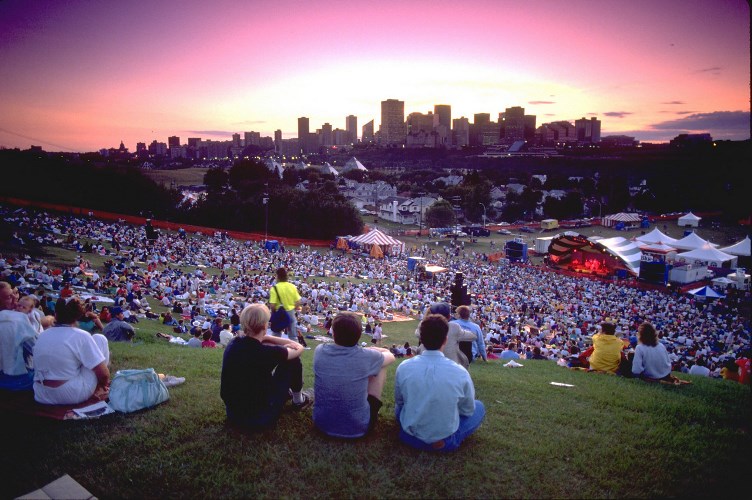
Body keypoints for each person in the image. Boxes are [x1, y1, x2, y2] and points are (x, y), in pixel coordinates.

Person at [395, 314, 485, 452]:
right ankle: (441, 439)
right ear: (445, 340)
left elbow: (400, 402)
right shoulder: (460, 372)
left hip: (408, 437)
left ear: (421, 339)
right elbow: (467, 410)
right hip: (443, 442)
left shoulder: (404, 367)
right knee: (479, 407)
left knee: (401, 408)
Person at [220, 303, 312, 430]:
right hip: (260, 418)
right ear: (265, 325)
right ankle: (298, 400)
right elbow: (298, 348)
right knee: (293, 360)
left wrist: (265, 337)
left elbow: (258, 342)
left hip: (233, 414)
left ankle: (287, 395)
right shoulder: (265, 353)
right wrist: (279, 345)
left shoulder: (234, 343)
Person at [313, 312, 395, 438]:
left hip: (321, 425)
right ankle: (372, 409)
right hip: (358, 428)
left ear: (333, 333)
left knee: (371, 366)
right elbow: (391, 357)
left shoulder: (320, 350)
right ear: (359, 335)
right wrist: (379, 349)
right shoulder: (366, 356)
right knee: (381, 366)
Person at [33, 297, 110, 405]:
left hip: (40, 393)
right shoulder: (81, 336)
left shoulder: (43, 334)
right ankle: (100, 388)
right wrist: (104, 382)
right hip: (67, 394)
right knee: (100, 339)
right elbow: (104, 374)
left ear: (56, 313)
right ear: (78, 315)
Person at [419, 302, 476, 368]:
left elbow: (418, 333)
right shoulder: (454, 327)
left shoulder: (423, 324)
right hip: (450, 365)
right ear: (449, 317)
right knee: (465, 341)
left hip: (425, 362)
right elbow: (473, 336)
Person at [0, 282, 37, 381]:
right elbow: (36, 349)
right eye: (8, 297)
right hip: (13, 378)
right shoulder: (17, 318)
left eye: (15, 294)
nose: (15, 301)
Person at [268, 267, 301, 341]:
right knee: (293, 336)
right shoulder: (292, 286)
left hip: (279, 312)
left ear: (278, 276)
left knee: (276, 334)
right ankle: (295, 351)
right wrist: (293, 309)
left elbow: (272, 305)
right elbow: (298, 301)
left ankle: (274, 351)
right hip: (290, 311)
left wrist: (273, 313)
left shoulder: (275, 288)